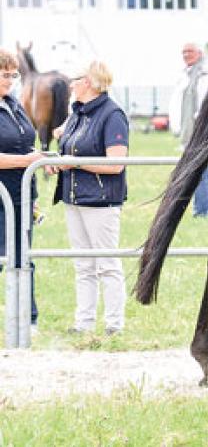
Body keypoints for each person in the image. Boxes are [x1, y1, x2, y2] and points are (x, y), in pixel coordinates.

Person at [49, 61, 129, 336]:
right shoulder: (77, 113)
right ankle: (83, 322)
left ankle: (114, 324)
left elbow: (116, 164)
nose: (70, 84)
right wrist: (58, 162)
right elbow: (68, 148)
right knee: (83, 264)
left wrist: (75, 163)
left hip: (100, 200)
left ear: (89, 81)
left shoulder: (112, 114)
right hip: (74, 198)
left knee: (106, 264)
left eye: (75, 78)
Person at [0, 49, 43, 332]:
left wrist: (33, 191)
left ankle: (27, 319)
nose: (10, 80)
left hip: (21, 195)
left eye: (13, 74)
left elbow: (26, 143)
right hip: (1, 195)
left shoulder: (14, 104)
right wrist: (26, 161)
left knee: (23, 256)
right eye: (5, 74)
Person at [173, 43, 208, 217]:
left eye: (190, 51)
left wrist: (201, 128)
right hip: (192, 130)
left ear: (199, 53)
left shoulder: (205, 74)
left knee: (197, 168)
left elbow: (205, 104)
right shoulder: (186, 74)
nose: (186, 55)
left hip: (201, 130)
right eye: (184, 52)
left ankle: (201, 210)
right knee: (207, 167)